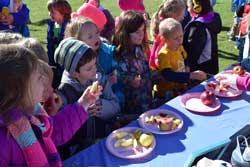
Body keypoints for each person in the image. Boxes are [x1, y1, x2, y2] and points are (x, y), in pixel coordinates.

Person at [0, 44, 100, 166]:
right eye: (38, 77)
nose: (44, 80)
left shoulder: (34, 113)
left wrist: (83, 103)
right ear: (18, 91)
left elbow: (55, 131)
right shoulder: (4, 141)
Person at [54, 37, 120, 159]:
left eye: (95, 64)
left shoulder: (100, 79)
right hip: (77, 152)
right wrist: (81, 112)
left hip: (103, 141)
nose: (94, 69)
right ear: (75, 73)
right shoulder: (64, 93)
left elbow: (116, 105)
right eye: (89, 68)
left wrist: (101, 106)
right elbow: (60, 131)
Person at [64, 17, 122, 106]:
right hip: (90, 101)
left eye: (97, 33)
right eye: (90, 36)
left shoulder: (104, 50)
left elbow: (115, 64)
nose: (96, 38)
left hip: (110, 94)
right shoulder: (75, 64)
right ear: (78, 42)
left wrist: (114, 73)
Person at [155, 18, 207, 100]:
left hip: (179, 88)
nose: (180, 40)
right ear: (164, 39)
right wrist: (191, 75)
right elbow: (168, 75)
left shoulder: (179, 47)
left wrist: (187, 66)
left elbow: (185, 58)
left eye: (181, 36)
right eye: (175, 38)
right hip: (165, 93)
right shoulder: (164, 54)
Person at [113, 10, 152, 115]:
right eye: (137, 32)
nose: (141, 35)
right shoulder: (120, 55)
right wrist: (130, 81)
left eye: (143, 30)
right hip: (132, 105)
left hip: (146, 99)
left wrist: (156, 74)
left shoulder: (139, 48)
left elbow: (145, 69)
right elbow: (118, 78)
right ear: (125, 33)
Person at [183, 0, 222, 75]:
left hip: (200, 70)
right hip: (211, 65)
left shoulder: (198, 26)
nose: (188, 10)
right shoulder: (213, 17)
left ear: (197, 8)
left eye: (189, 7)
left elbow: (192, 53)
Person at [149, 0, 186, 70]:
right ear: (175, 15)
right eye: (182, 15)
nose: (183, 18)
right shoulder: (168, 32)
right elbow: (158, 57)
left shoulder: (168, 28)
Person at [47, 0, 72, 89]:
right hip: (53, 59)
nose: (50, 14)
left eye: (53, 12)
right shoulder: (52, 25)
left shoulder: (69, 26)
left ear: (63, 13)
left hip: (65, 61)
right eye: (49, 11)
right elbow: (49, 44)